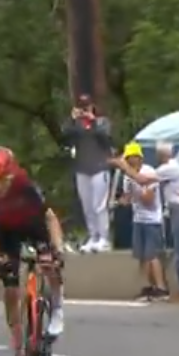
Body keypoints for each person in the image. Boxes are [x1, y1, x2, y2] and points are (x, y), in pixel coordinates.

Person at [0, 147, 66, 356]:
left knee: (49, 263)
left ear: (12, 174)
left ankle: (57, 308)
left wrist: (58, 249)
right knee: (11, 289)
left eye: (3, 179)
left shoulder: (24, 184)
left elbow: (50, 218)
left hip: (32, 224)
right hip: (5, 232)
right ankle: (19, 351)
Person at [111, 142, 171, 301]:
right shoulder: (127, 177)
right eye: (127, 158)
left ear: (139, 158)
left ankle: (161, 287)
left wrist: (135, 182)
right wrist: (121, 201)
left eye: (132, 158)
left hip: (152, 220)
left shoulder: (148, 172)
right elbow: (128, 196)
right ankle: (149, 286)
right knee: (142, 256)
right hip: (138, 219)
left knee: (152, 255)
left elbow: (148, 200)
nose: (130, 161)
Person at [62, 94, 114, 252]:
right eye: (81, 107)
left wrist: (93, 121)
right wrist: (71, 119)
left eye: (87, 106)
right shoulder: (76, 125)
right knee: (87, 206)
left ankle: (104, 238)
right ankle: (93, 236)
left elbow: (107, 138)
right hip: (82, 169)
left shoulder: (102, 122)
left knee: (99, 205)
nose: (84, 110)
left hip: (99, 167)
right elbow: (65, 138)